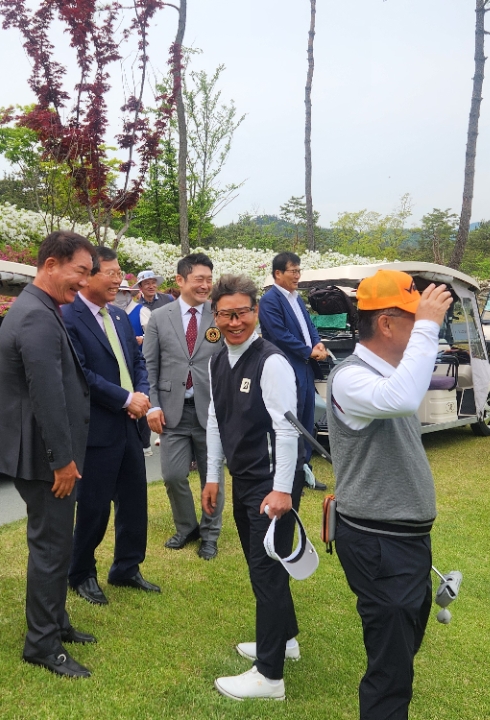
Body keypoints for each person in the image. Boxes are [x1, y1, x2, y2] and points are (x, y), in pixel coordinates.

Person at [324, 269, 453, 720]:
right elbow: (401, 399)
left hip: (403, 541)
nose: (424, 327)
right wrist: (430, 327)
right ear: (386, 323)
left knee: (401, 650)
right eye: (415, 318)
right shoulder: (350, 378)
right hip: (379, 542)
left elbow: (405, 391)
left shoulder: (391, 374)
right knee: (390, 673)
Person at [0, 230, 99, 678]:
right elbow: (46, 395)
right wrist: (61, 461)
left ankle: (57, 621)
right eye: (79, 272)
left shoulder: (42, 307)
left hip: (41, 451)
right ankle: (43, 645)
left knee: (57, 542)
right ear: (51, 264)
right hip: (42, 456)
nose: (84, 282)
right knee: (51, 547)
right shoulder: (36, 315)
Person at [200, 274, 304, 701]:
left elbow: (286, 430)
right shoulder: (217, 360)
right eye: (226, 314)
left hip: (271, 483)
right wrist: (212, 475)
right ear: (215, 316)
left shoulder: (271, 361)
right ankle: (286, 639)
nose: (235, 322)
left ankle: (270, 676)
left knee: (267, 573)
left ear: (256, 312)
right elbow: (215, 419)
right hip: (244, 479)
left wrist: (281, 490)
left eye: (242, 312)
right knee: (262, 567)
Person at [61, 246, 160, 605]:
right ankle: (81, 572)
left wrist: (142, 395)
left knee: (134, 501)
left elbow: (138, 360)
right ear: (88, 275)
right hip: (96, 429)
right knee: (94, 506)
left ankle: (127, 567)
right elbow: (81, 374)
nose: (119, 280)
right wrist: (124, 398)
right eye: (112, 273)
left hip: (130, 425)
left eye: (121, 273)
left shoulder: (117, 316)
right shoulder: (68, 317)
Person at [143, 254, 226, 560]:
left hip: (211, 412)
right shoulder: (159, 318)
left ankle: (210, 534)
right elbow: (149, 366)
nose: (205, 285)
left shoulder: (219, 316)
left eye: (209, 280)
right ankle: (186, 527)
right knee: (173, 475)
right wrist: (152, 406)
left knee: (212, 476)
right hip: (171, 412)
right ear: (180, 280)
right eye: (198, 279)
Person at [258, 252, 329, 491]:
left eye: (299, 271)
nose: (298, 275)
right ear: (278, 273)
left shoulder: (297, 299)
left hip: (305, 367)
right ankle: (286, 474)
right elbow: (280, 335)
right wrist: (309, 351)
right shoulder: (270, 300)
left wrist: (318, 344)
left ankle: (304, 469)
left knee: (307, 419)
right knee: (289, 421)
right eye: (293, 271)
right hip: (287, 367)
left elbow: (309, 327)